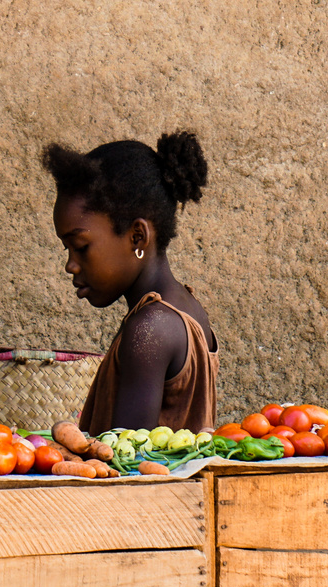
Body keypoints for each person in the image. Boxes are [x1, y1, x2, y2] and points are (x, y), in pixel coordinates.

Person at [42, 131, 218, 434]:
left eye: (81, 247)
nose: (70, 265)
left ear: (137, 236)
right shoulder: (185, 307)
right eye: (66, 250)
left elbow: (127, 466)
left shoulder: (151, 329)